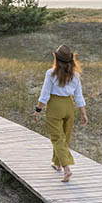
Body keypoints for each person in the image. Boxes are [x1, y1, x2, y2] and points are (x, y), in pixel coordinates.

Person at [32, 45, 88, 182]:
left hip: (55, 106)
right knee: (65, 137)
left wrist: (37, 109)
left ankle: (66, 168)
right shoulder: (75, 75)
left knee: (57, 138)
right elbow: (79, 96)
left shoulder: (51, 73)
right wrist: (83, 113)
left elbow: (45, 95)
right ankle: (57, 163)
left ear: (56, 58)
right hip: (69, 107)